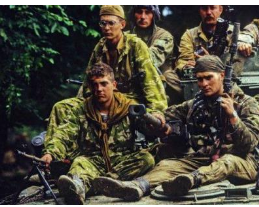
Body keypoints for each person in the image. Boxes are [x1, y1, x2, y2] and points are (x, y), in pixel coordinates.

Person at [91, 55, 259, 201]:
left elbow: (248, 145)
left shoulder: (246, 103)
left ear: (222, 75)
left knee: (228, 162)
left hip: (244, 162)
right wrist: (158, 117)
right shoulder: (197, 104)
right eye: (199, 79)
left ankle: (191, 180)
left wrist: (233, 116)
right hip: (208, 157)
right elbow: (169, 114)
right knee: (168, 164)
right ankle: (138, 186)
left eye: (208, 78)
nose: (203, 84)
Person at [46, 5, 168, 154]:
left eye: (111, 23)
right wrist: (80, 106)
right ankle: (53, 158)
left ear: (122, 25)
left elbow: (151, 82)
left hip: (128, 100)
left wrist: (158, 111)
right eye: (103, 23)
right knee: (61, 107)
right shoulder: (100, 47)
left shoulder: (136, 46)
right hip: (102, 98)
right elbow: (88, 83)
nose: (107, 28)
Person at [41, 63, 160, 204]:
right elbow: (63, 134)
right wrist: (50, 153)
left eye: (104, 84)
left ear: (114, 85)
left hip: (122, 159)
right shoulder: (82, 109)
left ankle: (105, 183)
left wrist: (155, 122)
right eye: (94, 85)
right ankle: (79, 188)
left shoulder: (128, 107)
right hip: (93, 159)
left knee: (146, 159)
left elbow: (147, 125)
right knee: (79, 163)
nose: (99, 89)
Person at [166, 5, 248, 104]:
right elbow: (183, 62)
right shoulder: (190, 35)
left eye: (212, 8)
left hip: (225, 79)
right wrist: (194, 66)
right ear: (200, 11)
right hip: (198, 80)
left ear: (220, 10)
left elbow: (236, 61)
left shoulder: (233, 32)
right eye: (204, 8)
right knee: (168, 76)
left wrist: (209, 62)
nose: (208, 12)